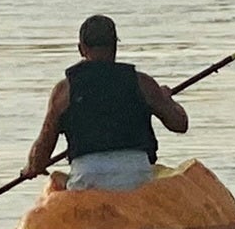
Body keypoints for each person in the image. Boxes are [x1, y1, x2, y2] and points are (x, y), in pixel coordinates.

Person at [23, 15, 189, 192]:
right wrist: (166, 99)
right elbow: (180, 124)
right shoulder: (143, 83)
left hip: (86, 177)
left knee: (59, 182)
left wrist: (30, 168)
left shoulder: (64, 91)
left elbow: (40, 157)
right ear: (115, 46)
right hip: (137, 177)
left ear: (81, 49)